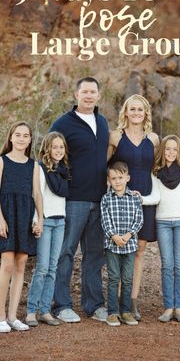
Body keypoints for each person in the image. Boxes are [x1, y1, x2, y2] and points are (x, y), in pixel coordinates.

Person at [50, 76, 109, 323]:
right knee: (65, 252)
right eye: (84, 92)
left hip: (100, 199)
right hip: (73, 199)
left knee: (95, 254)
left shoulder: (102, 122)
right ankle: (61, 305)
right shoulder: (63, 123)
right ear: (76, 95)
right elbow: (50, 157)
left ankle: (94, 305)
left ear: (98, 96)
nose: (88, 96)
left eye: (93, 92)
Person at [108, 94, 159, 320]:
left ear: (146, 113)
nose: (137, 113)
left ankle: (131, 301)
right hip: (121, 199)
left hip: (144, 198)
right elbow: (105, 168)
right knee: (120, 249)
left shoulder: (154, 139)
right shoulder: (116, 137)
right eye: (133, 109)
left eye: (141, 109)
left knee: (138, 250)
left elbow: (159, 167)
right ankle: (116, 301)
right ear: (125, 112)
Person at [142, 135, 180, 323]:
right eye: (167, 149)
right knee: (167, 265)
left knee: (179, 265)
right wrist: (140, 198)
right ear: (162, 150)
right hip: (163, 223)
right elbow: (155, 197)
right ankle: (168, 307)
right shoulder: (156, 172)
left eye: (174, 149)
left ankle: (179, 308)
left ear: (179, 151)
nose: (171, 152)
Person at [0, 121, 43, 333]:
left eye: (26, 135)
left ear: (30, 140)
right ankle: (0, 317)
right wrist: (0, 218)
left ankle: (12, 316)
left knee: (21, 263)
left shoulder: (33, 165)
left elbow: (37, 193)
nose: (21, 138)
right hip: (6, 215)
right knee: (7, 263)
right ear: (10, 137)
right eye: (17, 134)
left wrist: (40, 219)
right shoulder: (2, 161)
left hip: (25, 216)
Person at [26, 132, 70, 327]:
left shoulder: (64, 170)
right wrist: (37, 221)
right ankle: (30, 310)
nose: (58, 151)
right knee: (42, 268)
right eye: (54, 147)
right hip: (45, 221)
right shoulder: (40, 168)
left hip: (60, 221)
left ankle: (45, 310)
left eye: (61, 147)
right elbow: (38, 195)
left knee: (53, 267)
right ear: (47, 148)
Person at [101, 161, 144, 326]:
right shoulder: (106, 199)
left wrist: (128, 235)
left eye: (120, 177)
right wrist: (114, 236)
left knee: (127, 279)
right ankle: (112, 312)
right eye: (113, 178)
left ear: (127, 178)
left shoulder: (134, 198)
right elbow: (105, 220)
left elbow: (139, 219)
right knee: (113, 278)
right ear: (108, 181)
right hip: (112, 245)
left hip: (130, 244)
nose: (117, 181)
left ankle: (126, 311)